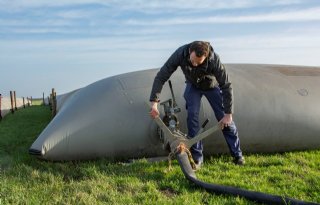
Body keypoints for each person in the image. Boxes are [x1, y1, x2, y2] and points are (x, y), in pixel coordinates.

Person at [149, 41, 244, 168]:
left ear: (206, 56)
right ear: (189, 52)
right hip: (192, 85)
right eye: (192, 61)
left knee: (224, 118)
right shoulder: (180, 54)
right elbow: (161, 76)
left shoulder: (214, 59)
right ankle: (197, 158)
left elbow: (226, 86)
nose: (194, 64)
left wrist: (228, 113)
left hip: (211, 85)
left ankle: (237, 155)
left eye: (198, 63)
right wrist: (154, 103)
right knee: (192, 115)